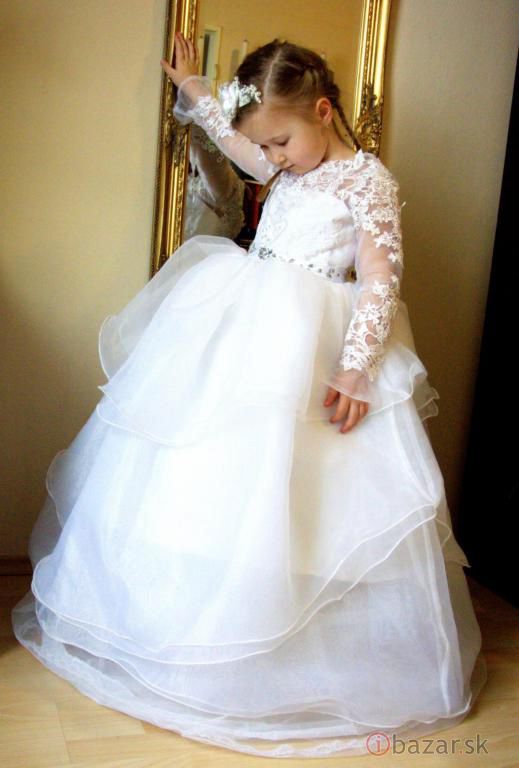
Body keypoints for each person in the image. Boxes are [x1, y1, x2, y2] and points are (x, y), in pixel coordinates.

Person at [11, 32, 487, 759]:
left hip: (311, 347)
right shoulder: (277, 157)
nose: (273, 159)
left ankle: (287, 647)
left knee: (302, 496)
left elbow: (379, 277)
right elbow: (233, 142)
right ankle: (182, 628)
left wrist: (356, 367)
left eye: (282, 142)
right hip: (244, 329)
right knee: (210, 477)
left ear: (322, 111)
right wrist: (195, 90)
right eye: (266, 145)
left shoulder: (367, 181)